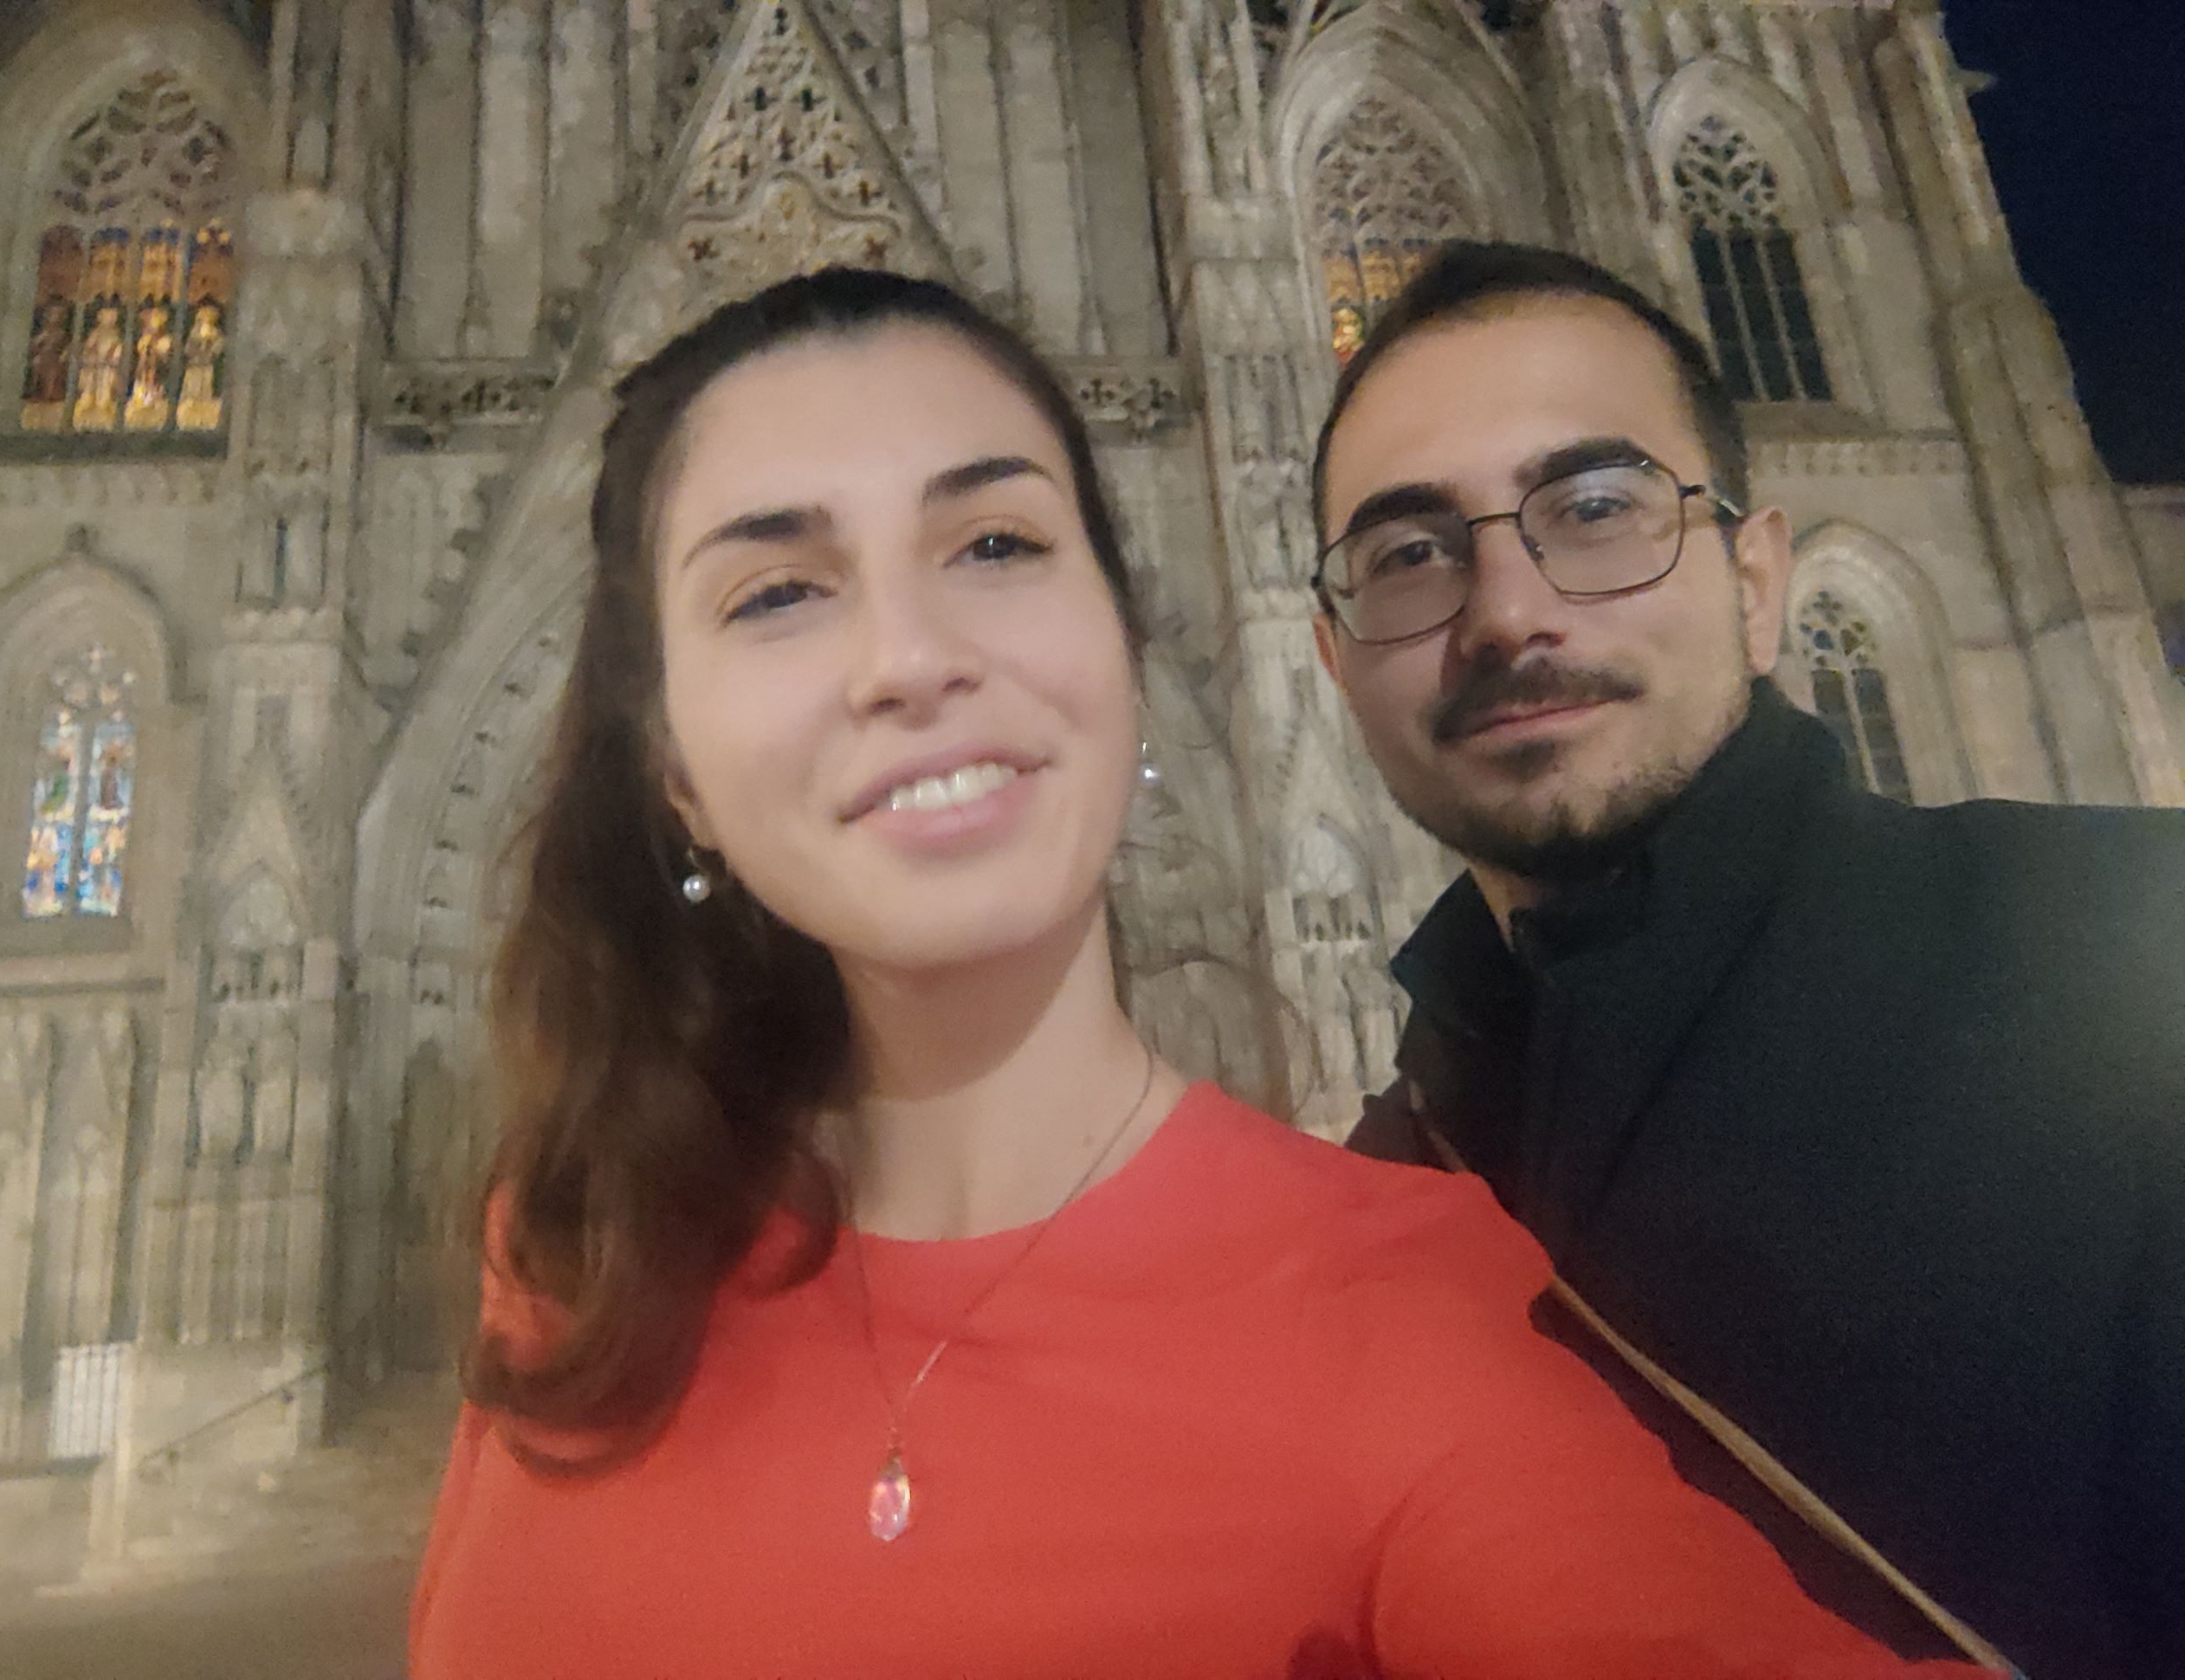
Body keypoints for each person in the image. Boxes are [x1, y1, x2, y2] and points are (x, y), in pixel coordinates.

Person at [408, 267, 1994, 1679]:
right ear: (673, 770)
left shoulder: (1397, 1318)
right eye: (774, 592)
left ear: (1125, 652)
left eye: (998, 543)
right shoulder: (575, 1249)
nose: (909, 658)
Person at [1311, 239, 2185, 1680]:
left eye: (1597, 509)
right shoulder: (1386, 1202)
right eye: (1411, 555)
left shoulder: (2138, 957)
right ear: (1339, 667)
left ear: (1759, 582)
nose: (1509, 611)